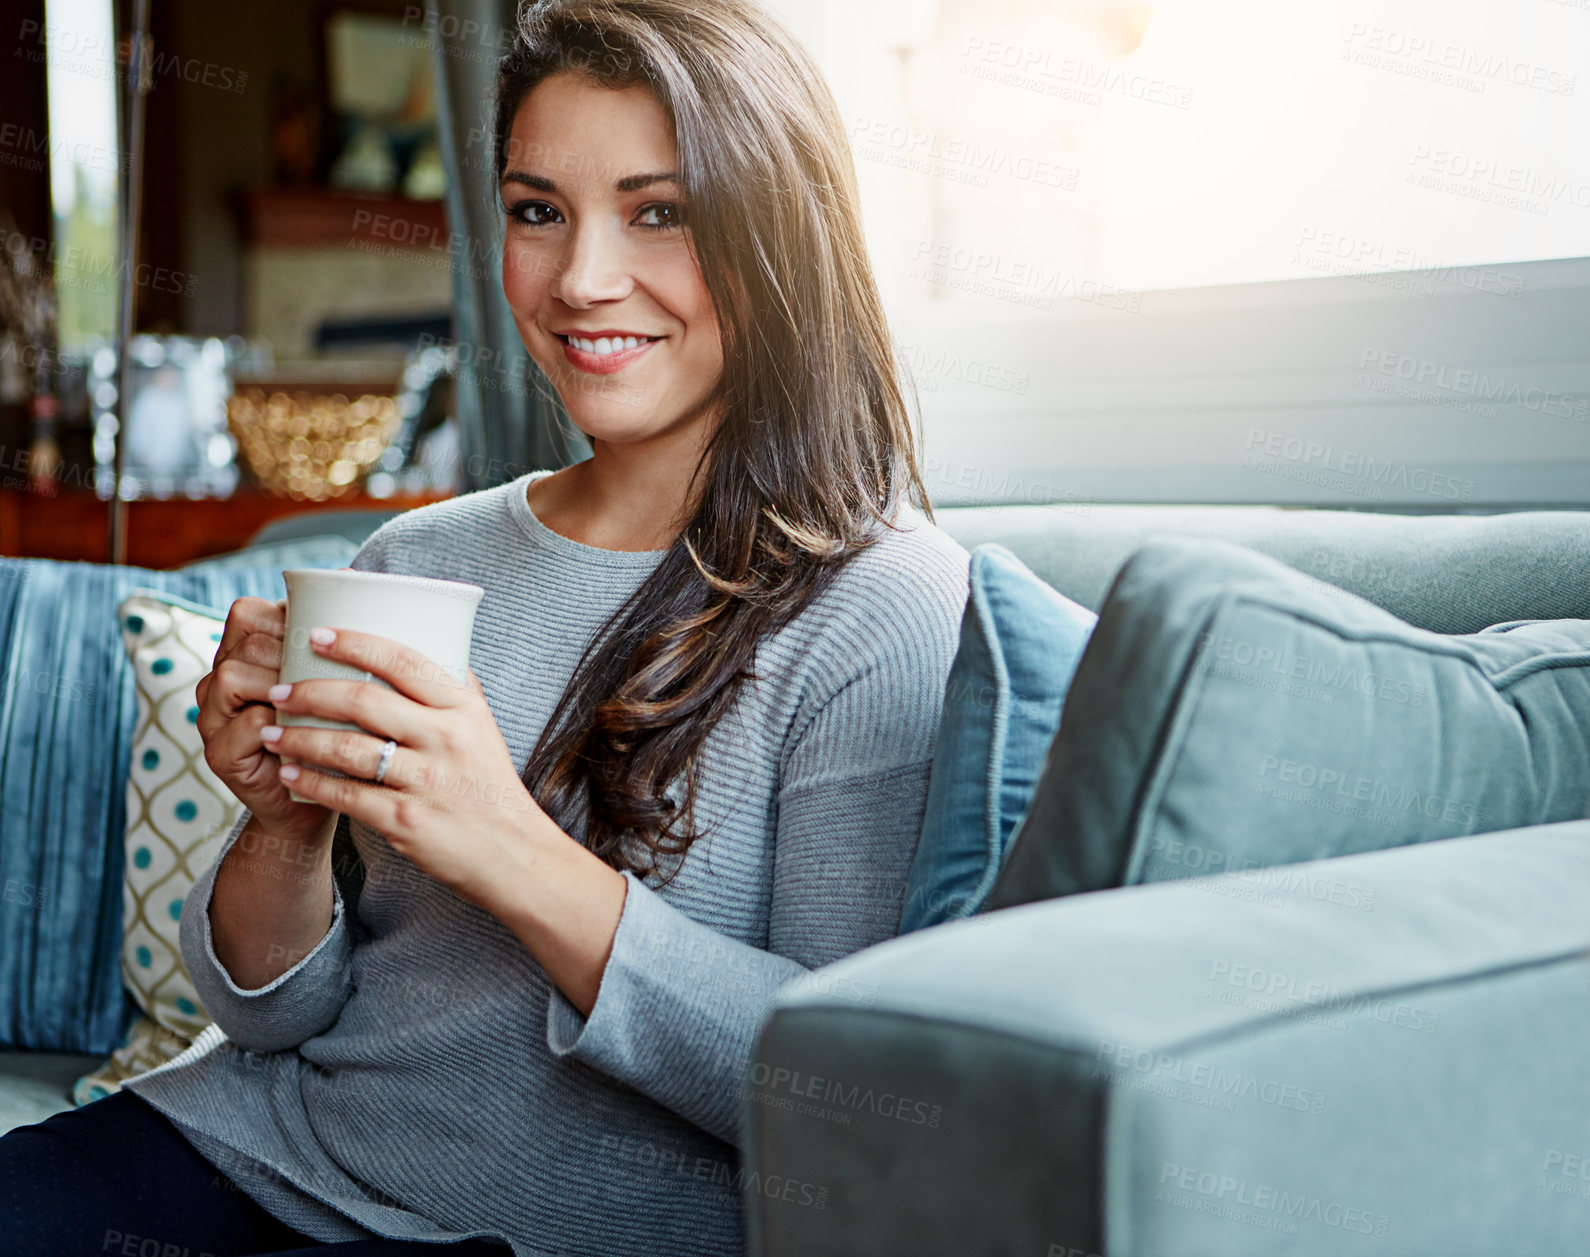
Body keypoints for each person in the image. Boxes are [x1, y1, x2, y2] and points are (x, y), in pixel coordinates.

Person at [0, 1, 970, 1253]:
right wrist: (284, 828)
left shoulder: (881, 604)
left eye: (659, 211)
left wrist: (504, 843)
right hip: (250, 1153)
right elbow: (272, 1019)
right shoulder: (419, 554)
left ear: (779, 232)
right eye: (537, 210)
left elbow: (849, 1099)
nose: (581, 279)